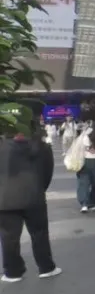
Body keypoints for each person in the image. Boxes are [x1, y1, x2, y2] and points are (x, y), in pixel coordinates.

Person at [0, 104, 60, 283]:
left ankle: (13, 272)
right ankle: (46, 267)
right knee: (39, 233)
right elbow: (47, 173)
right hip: (34, 197)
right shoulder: (41, 146)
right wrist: (39, 189)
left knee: (8, 237)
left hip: (5, 199)